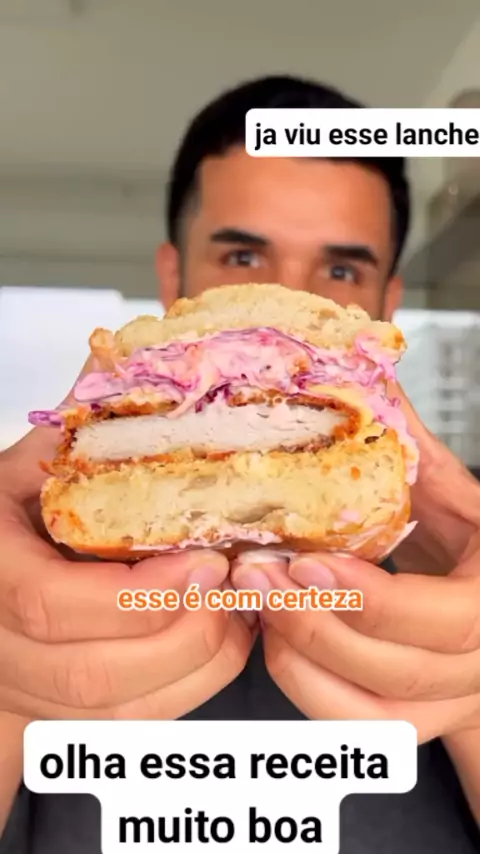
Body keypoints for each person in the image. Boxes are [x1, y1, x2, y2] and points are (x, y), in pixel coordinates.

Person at [1, 75, 480, 854]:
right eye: (243, 254)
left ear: (386, 304)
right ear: (171, 279)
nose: (280, 300)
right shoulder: (25, 563)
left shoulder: (464, 562)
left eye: (341, 270)